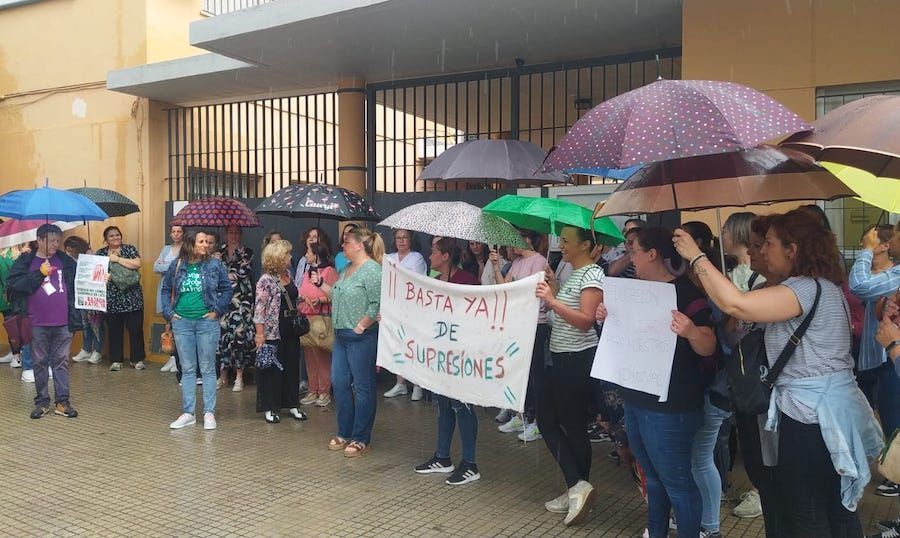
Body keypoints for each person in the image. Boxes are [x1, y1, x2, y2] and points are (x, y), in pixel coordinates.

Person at [673, 209, 883, 537]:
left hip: (810, 417)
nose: (761, 249)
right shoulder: (824, 287)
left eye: (768, 243)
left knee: (807, 510)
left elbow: (736, 305)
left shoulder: (804, 289)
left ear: (792, 249)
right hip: (828, 410)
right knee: (836, 510)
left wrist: (696, 256)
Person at [599, 227, 714, 538]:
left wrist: (691, 332)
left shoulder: (686, 294)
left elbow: (709, 345)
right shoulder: (632, 294)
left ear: (652, 254)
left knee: (677, 482)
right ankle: (656, 530)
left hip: (671, 405)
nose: (630, 258)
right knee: (652, 476)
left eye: (633, 251)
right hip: (636, 398)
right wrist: (608, 316)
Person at [534, 225, 604, 527]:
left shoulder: (592, 274)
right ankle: (576, 485)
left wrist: (552, 301)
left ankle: (578, 487)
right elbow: (562, 316)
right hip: (559, 356)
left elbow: (585, 321)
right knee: (547, 419)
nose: (561, 245)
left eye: (566, 240)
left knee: (572, 424)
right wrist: (555, 289)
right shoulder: (572, 274)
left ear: (585, 245)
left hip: (577, 358)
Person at [413, 237, 482, 485]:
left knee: (462, 405)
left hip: (461, 355)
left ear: (445, 256)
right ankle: (442, 457)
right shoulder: (433, 281)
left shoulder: (467, 281)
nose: (429, 256)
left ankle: (470, 463)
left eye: (433, 252)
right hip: (441, 355)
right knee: (443, 404)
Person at [312, 226, 382, 458]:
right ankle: (344, 431)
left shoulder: (372, 270)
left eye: (347, 242)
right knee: (340, 383)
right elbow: (336, 294)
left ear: (360, 245)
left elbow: (377, 302)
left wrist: (362, 326)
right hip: (341, 335)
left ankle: (361, 437)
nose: (343, 246)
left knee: (362, 387)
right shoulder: (346, 269)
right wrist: (321, 284)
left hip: (361, 337)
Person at [7, 224, 81, 418]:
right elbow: (14, 285)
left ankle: (62, 402)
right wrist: (39, 273)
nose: (55, 244)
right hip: (36, 322)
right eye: (51, 241)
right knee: (39, 362)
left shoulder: (65, 261)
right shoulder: (25, 261)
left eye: (58, 240)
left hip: (63, 321)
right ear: (39, 240)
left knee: (61, 362)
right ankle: (41, 402)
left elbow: (80, 282)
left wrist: (99, 280)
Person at [162, 231, 232, 430]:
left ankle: (209, 412)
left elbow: (227, 289)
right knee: (188, 368)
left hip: (206, 322)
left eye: (207, 242)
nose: (205, 245)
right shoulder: (177, 264)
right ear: (190, 244)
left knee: (208, 368)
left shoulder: (214, 264)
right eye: (201, 242)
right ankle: (188, 413)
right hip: (182, 322)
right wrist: (169, 313)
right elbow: (166, 289)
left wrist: (217, 311)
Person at [850, 224, 900, 497]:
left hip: (891, 357)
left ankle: (895, 475)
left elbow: (859, 287)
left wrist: (866, 251)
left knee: (893, 419)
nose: (894, 239)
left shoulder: (895, 273)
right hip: (875, 357)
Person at [493, 228, 548, 443]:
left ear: (526, 239)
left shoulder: (539, 261)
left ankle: (538, 421)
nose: (510, 245)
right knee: (520, 372)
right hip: (518, 324)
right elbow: (505, 287)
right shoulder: (516, 262)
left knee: (534, 374)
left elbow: (532, 292)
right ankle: (521, 415)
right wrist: (496, 266)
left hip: (535, 323)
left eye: (513, 239)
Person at [253, 239, 308, 423]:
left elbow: (290, 298)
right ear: (277, 257)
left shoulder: (288, 275)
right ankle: (270, 406)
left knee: (292, 366)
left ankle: (292, 404)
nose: (290, 257)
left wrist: (302, 300)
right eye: (287, 254)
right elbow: (259, 310)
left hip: (290, 327)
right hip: (273, 331)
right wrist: (260, 334)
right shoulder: (266, 281)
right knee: (272, 369)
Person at [383, 228, 428, 400]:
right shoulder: (390, 257)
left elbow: (413, 279)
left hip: (413, 308)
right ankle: (400, 383)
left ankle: (417, 385)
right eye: (398, 238)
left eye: (405, 238)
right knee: (398, 345)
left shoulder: (417, 257)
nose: (401, 241)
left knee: (412, 345)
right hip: (394, 307)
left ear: (411, 240)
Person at [96, 226, 146, 371]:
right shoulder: (100, 253)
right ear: (106, 239)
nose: (115, 237)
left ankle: (136, 359)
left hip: (132, 297)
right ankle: (116, 360)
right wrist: (103, 277)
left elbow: (137, 263)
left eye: (117, 234)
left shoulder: (129, 249)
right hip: (112, 298)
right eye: (111, 236)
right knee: (114, 330)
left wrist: (117, 259)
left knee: (136, 329)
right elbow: (96, 271)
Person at [297, 242, 338, 407]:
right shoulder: (307, 272)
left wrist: (320, 299)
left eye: (308, 252)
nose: (306, 255)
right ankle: (312, 390)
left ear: (316, 255)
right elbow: (301, 291)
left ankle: (324, 392)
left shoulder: (329, 272)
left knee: (321, 357)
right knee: (309, 357)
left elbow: (336, 294)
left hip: (321, 319)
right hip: (306, 317)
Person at [216, 225, 255, 392]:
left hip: (242, 301)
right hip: (223, 301)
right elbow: (213, 274)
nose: (234, 236)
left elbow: (241, 273)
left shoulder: (247, 252)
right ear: (225, 234)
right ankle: (223, 375)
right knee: (222, 337)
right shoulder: (219, 253)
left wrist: (222, 274)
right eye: (230, 232)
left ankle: (239, 376)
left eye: (237, 232)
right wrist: (216, 262)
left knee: (240, 336)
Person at [65, 236, 104, 366]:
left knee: (95, 323)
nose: (70, 252)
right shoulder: (68, 260)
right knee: (84, 324)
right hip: (78, 295)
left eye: (72, 250)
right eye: (68, 250)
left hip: (92, 294)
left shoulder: (90, 256)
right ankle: (86, 349)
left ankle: (97, 350)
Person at [153, 224, 184, 372]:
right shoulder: (166, 249)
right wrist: (172, 266)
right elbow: (155, 267)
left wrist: (166, 265)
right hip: (166, 288)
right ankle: (172, 356)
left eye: (179, 231)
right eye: (173, 232)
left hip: (179, 290)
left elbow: (182, 267)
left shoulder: (185, 249)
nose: (176, 234)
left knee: (178, 323)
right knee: (168, 323)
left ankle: (178, 358)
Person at [722, 212, 763, 292]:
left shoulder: (760, 272)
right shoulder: (726, 268)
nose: (720, 236)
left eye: (724, 232)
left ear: (737, 232)